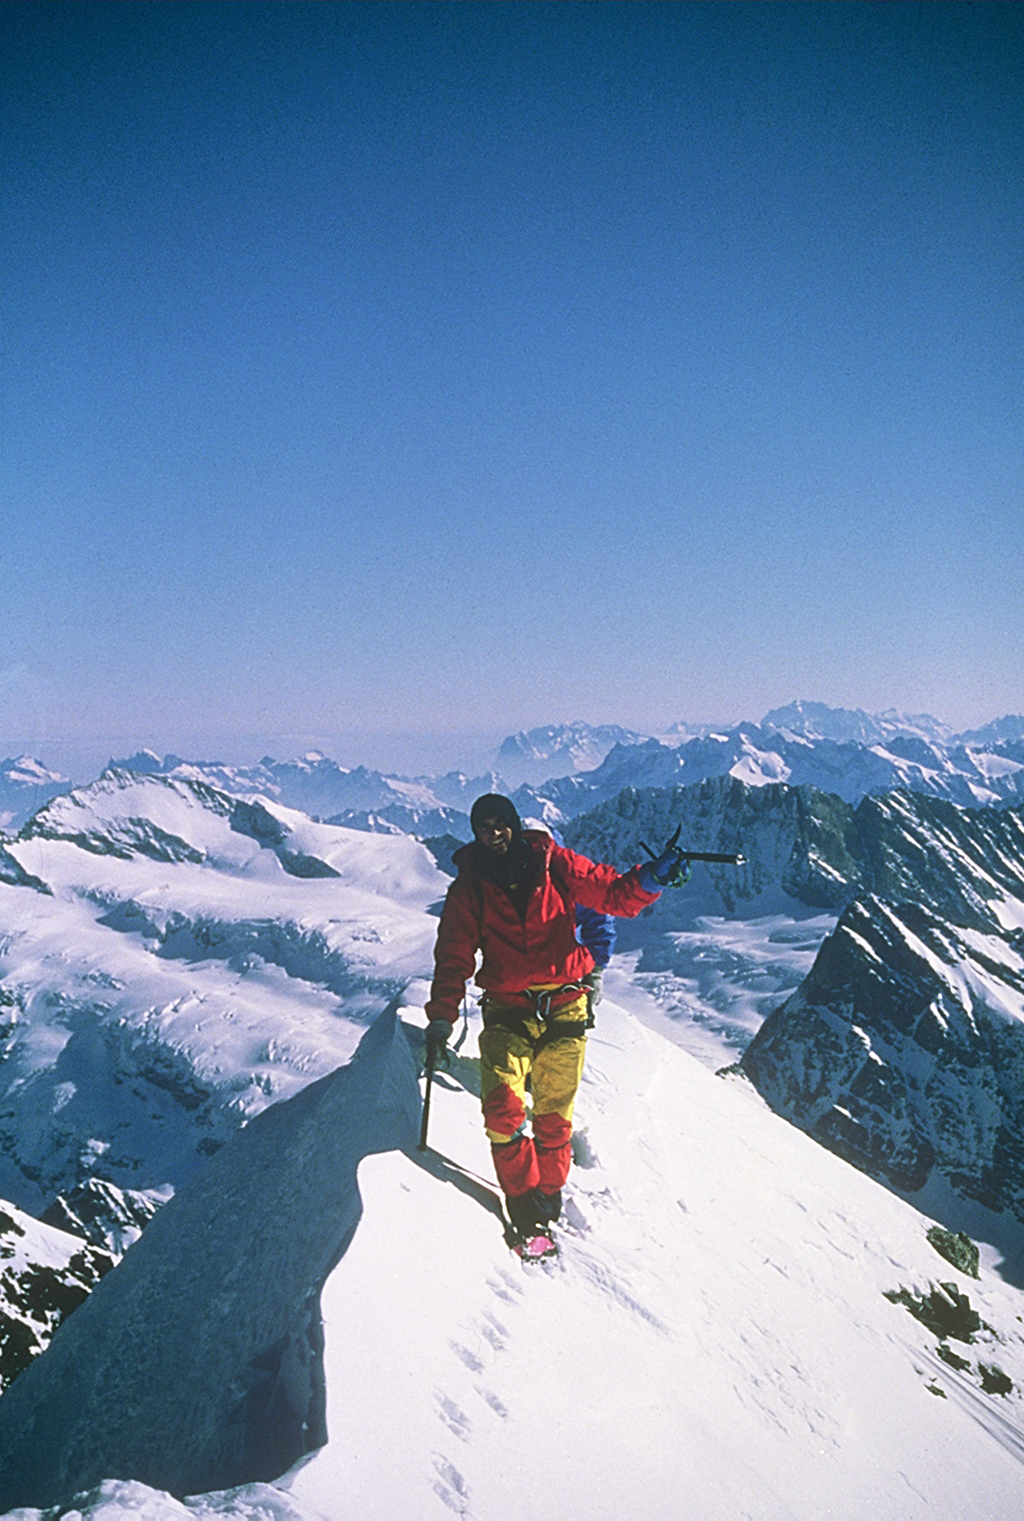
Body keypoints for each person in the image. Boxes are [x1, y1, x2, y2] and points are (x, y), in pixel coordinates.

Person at [423, 793, 680, 1244]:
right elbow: (453, 958)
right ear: (475, 832)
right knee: (503, 1111)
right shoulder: (468, 889)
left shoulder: (556, 864)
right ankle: (522, 1201)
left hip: (565, 1006)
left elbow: (613, 895)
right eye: (484, 826)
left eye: (500, 823)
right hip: (507, 1010)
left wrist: (651, 878)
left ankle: (549, 1193)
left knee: (553, 1119)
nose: (494, 833)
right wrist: (441, 1019)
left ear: (514, 825)